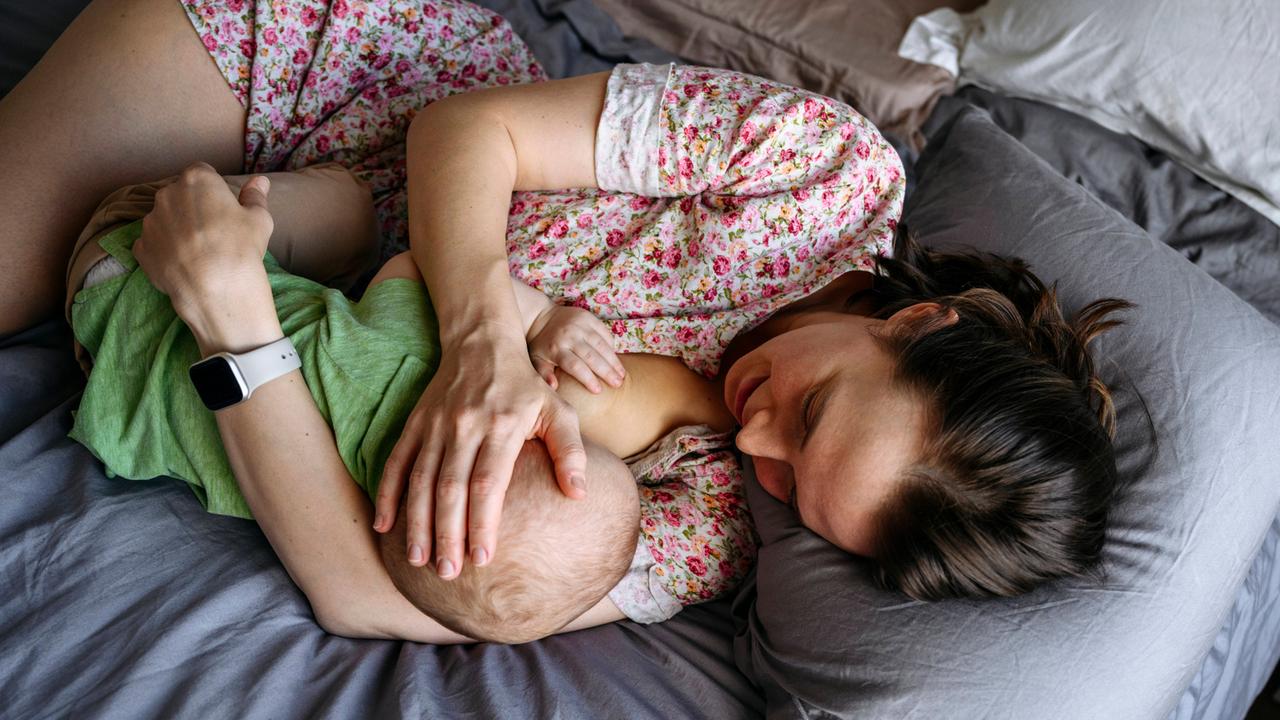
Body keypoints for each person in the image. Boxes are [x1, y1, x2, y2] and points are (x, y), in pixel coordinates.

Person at [0, 0, 1129, 641]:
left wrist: (236, 338)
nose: (753, 445)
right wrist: (487, 332)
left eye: (794, 489)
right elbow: (463, 131)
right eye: (812, 411)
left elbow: (362, 593)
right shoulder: (822, 177)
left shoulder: (712, 528)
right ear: (915, 321)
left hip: (290, 276)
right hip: (352, 91)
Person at [65, 162, 741, 644]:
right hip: (112, 386)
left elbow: (404, 267)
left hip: (133, 257)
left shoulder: (415, 353)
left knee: (354, 208)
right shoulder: (344, 507)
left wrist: (534, 326)